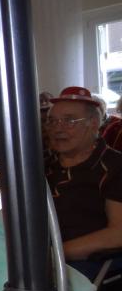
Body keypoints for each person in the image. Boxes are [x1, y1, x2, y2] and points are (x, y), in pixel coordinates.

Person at [44, 86, 122, 280]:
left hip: (88, 262)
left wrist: (53, 255)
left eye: (69, 120)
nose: (57, 128)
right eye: (52, 121)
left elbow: (118, 233)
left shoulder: (114, 166)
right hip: (40, 254)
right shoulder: (43, 164)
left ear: (93, 124)